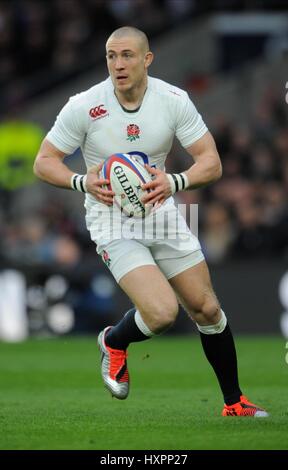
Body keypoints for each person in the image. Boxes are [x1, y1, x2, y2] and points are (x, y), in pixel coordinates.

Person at [34, 26, 268, 417]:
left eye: (127, 55)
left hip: (161, 212)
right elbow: (44, 162)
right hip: (112, 220)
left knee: (207, 309)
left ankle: (235, 403)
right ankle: (113, 341)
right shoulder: (85, 105)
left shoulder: (173, 100)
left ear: (147, 59)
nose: (118, 64)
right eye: (111, 56)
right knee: (161, 314)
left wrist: (175, 181)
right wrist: (81, 181)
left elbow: (211, 161)